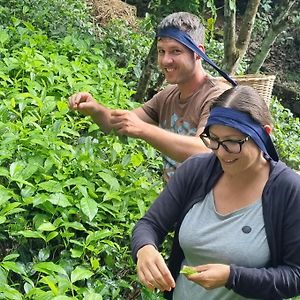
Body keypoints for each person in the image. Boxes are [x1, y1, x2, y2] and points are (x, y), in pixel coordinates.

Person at [131, 85, 300, 299]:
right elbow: (150, 224)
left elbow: (295, 275)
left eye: (232, 142)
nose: (221, 152)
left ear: (264, 134)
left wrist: (232, 277)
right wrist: (144, 248)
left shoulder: (289, 191)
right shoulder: (197, 170)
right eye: (214, 139)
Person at [68, 12, 233, 180]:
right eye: (162, 51)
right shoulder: (167, 96)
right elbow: (117, 125)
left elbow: (206, 150)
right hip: (176, 199)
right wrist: (95, 109)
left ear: (198, 52)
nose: (166, 60)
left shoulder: (219, 96)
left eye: (176, 51)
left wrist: (143, 129)